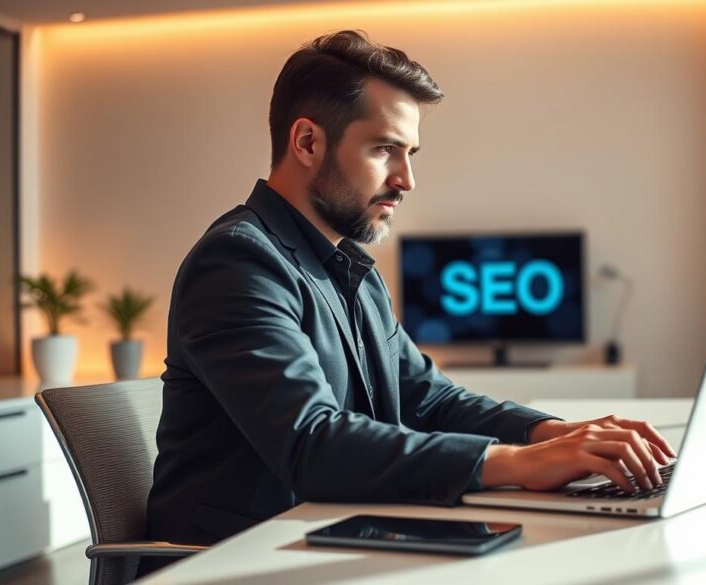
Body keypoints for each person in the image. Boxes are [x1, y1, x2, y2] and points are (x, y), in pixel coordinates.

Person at [143, 29, 675, 569]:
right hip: (236, 563)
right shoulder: (238, 261)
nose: (407, 179)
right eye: (384, 149)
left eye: (410, 153)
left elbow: (427, 399)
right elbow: (312, 441)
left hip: (329, 538)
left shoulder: (350, 268)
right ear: (308, 143)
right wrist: (517, 463)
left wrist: (552, 434)